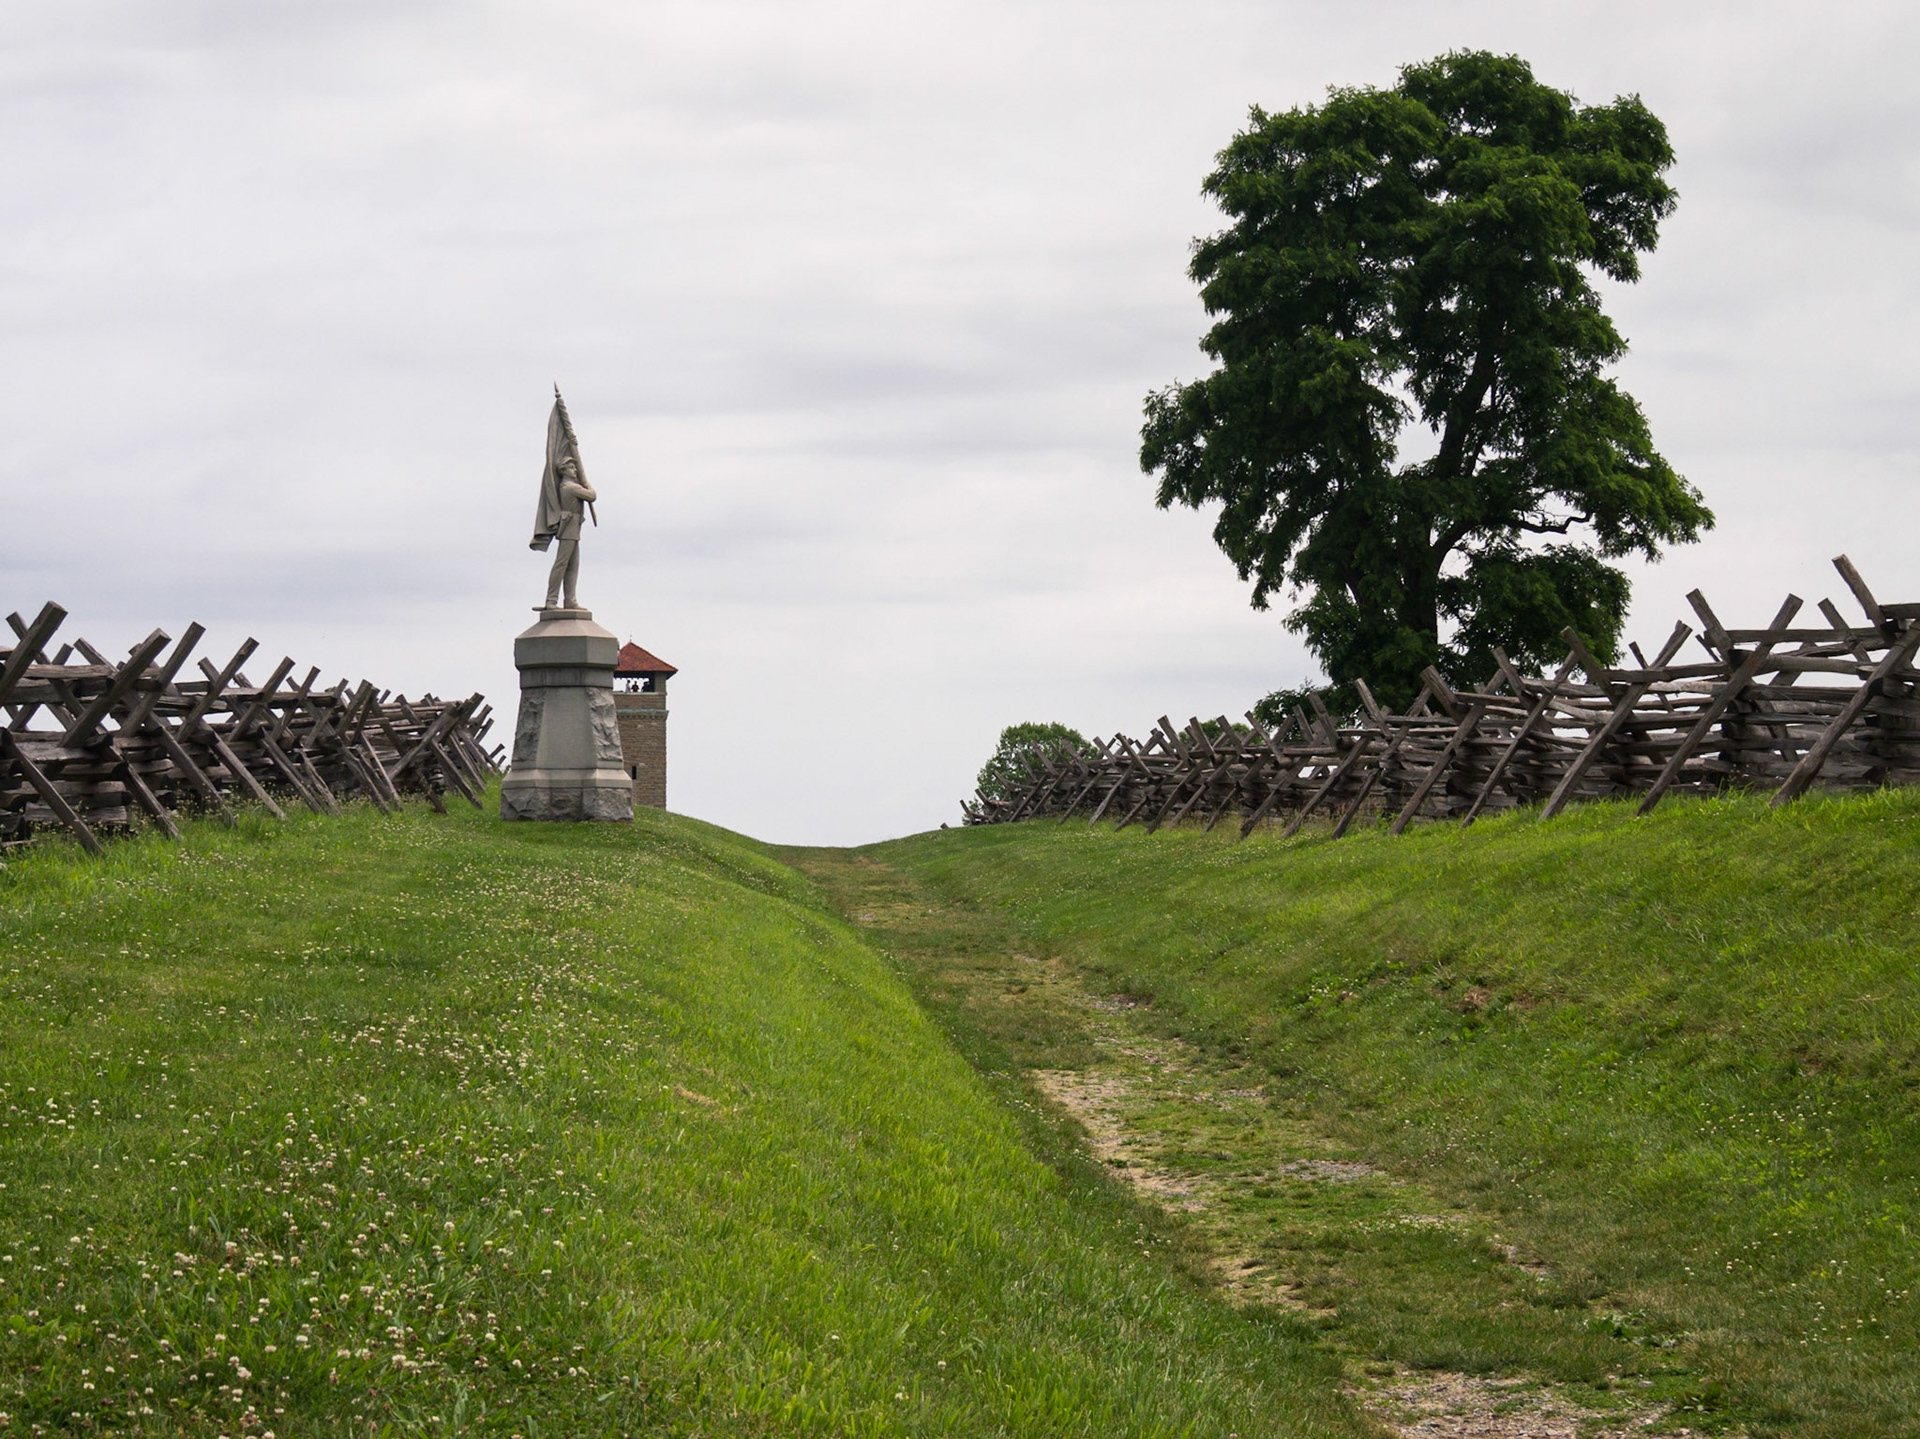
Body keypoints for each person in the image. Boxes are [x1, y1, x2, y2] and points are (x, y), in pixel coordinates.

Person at [541, 454, 597, 610]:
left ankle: (570, 600)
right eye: (571, 467)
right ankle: (551, 600)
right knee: (562, 564)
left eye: (574, 467)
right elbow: (592, 496)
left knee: (573, 565)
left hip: (574, 527)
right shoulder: (570, 487)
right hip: (569, 527)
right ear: (564, 471)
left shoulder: (570, 485)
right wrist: (587, 484)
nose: (574, 470)